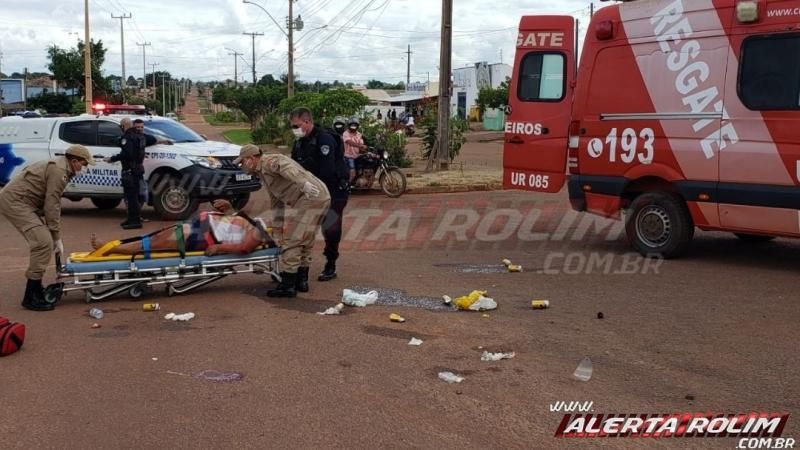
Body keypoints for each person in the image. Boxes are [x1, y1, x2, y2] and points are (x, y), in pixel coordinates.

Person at [0, 145, 95, 311]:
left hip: (23, 203)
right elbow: (52, 206)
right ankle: (30, 296)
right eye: (84, 164)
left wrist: (55, 236)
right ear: (74, 161)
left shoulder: (61, 167)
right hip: (16, 203)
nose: (85, 168)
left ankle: (36, 289)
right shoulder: (59, 172)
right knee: (43, 243)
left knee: (44, 243)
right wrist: (56, 237)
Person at [236, 144, 330, 298]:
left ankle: (288, 285)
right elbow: (276, 202)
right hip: (318, 196)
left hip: (311, 197)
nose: (242, 166)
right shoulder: (263, 173)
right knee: (306, 239)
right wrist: (278, 231)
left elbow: (284, 166)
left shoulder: (269, 162)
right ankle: (301, 281)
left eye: (242, 162)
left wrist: (302, 183)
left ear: (251, 159)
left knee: (292, 241)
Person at [289, 107, 350, 284]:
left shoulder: (324, 139)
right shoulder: (300, 141)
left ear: (307, 122)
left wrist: (307, 183)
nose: (294, 129)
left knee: (330, 227)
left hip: (334, 189)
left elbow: (327, 170)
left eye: (297, 125)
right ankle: (297, 270)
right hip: (312, 190)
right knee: (303, 228)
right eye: (292, 126)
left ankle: (331, 264)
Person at [89, 200, 270, 257]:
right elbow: (235, 224)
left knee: (155, 242)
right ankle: (112, 247)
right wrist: (228, 208)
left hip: (205, 236)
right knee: (155, 238)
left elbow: (245, 247)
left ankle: (111, 248)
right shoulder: (259, 223)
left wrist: (219, 248)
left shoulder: (261, 231)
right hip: (204, 226)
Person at [109, 118, 172, 230]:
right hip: (138, 169)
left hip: (130, 170)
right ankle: (131, 219)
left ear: (123, 126)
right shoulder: (141, 136)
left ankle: (134, 221)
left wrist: (113, 158)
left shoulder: (127, 137)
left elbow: (127, 154)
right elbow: (152, 140)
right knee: (135, 196)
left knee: (131, 197)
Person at [342, 117, 367, 182]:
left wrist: (365, 148)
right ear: (349, 125)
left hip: (357, 155)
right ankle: (347, 185)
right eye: (352, 125)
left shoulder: (359, 134)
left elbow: (361, 144)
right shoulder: (345, 133)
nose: (353, 127)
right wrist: (360, 146)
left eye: (355, 125)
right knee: (352, 172)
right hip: (349, 156)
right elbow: (349, 142)